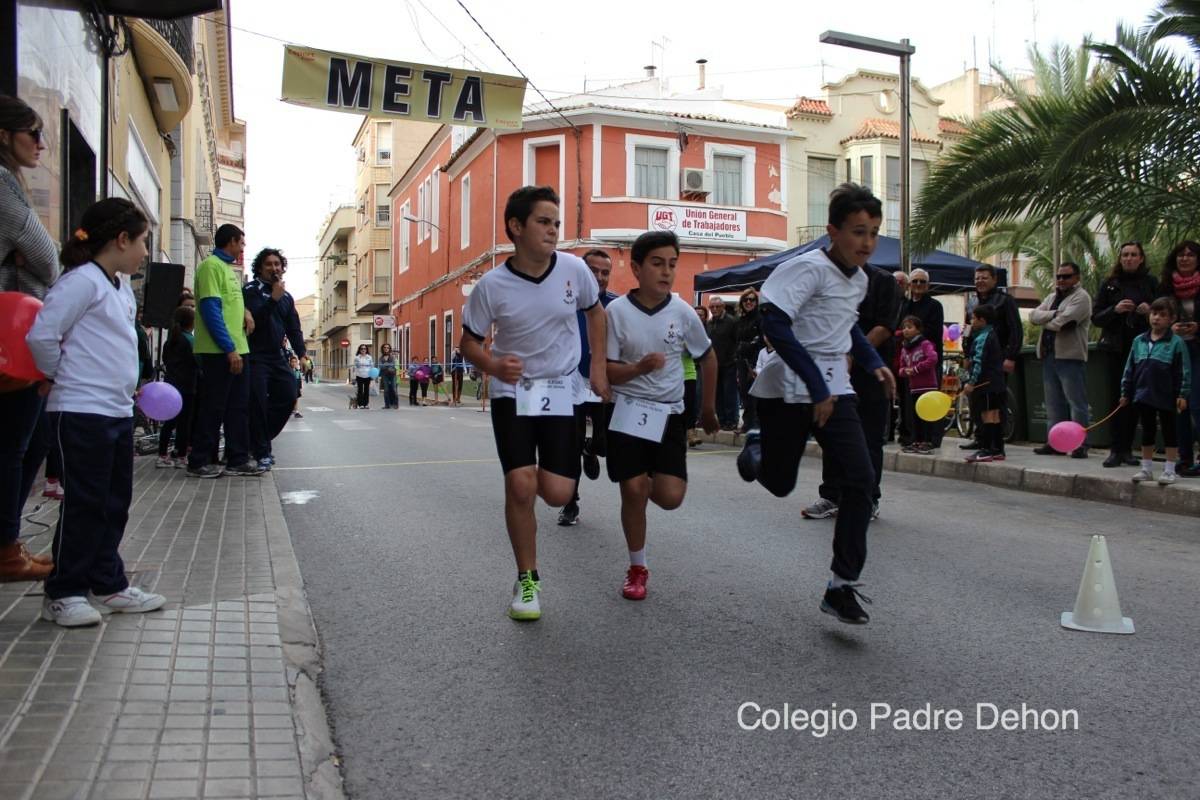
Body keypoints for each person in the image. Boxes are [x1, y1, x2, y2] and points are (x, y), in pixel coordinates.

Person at [737, 182, 896, 625]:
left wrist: (872, 362)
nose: (867, 243)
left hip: (835, 385)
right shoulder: (805, 269)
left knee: (861, 481)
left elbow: (846, 330)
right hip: (789, 382)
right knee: (779, 483)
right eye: (858, 232)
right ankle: (756, 447)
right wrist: (814, 385)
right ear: (833, 231)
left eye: (873, 233)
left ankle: (841, 586)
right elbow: (775, 326)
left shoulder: (861, 280)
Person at [459, 185, 609, 622]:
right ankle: (527, 579)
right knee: (521, 485)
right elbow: (468, 343)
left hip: (563, 389)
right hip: (515, 392)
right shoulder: (491, 286)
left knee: (558, 491)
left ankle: (564, 457)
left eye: (556, 223)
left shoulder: (574, 270)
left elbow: (595, 313)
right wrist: (491, 364)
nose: (553, 231)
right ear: (516, 227)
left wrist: (597, 368)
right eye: (544, 222)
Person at [26, 197, 167, 626]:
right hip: (80, 410)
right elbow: (42, 336)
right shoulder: (81, 282)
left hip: (115, 412)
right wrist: (59, 375)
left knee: (114, 502)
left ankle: (109, 583)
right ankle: (64, 592)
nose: (145, 252)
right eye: (142, 242)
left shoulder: (118, 286)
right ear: (121, 240)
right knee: (84, 504)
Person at [604, 230, 718, 600]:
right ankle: (637, 568)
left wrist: (708, 407)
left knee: (670, 497)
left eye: (672, 264)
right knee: (633, 490)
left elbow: (708, 356)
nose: (666, 272)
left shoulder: (684, 313)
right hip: (629, 410)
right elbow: (607, 370)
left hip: (669, 414)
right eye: (657, 263)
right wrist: (638, 369)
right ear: (637, 268)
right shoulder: (616, 312)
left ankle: (644, 480)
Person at [0, 95, 59, 581]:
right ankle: (4, 551)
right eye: (32, 133)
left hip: (13, 334)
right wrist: (29, 257)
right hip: (9, 339)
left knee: (28, 441)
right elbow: (48, 259)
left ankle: (8, 542)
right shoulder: (1, 183)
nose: (41, 143)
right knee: (14, 444)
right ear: (4, 135)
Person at [801, 251, 900, 521]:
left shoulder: (884, 281)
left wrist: (854, 353)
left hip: (871, 374)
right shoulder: (828, 282)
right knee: (833, 434)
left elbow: (884, 327)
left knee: (869, 438)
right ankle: (831, 495)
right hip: (835, 371)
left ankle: (868, 498)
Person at [187, 224, 260, 478]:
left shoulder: (228, 270)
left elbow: (231, 305)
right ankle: (199, 461)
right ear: (230, 241)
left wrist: (247, 313)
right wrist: (229, 349)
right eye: (241, 243)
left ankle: (236, 458)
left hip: (239, 349)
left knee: (238, 408)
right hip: (220, 352)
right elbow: (210, 310)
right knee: (213, 407)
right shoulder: (210, 267)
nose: (242, 249)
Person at [558, 248, 618, 527]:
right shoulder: (565, 303)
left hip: (604, 382)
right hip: (571, 384)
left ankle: (591, 449)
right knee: (569, 444)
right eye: (593, 271)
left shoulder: (616, 306)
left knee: (604, 444)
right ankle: (571, 503)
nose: (599, 277)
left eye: (605, 272)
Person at [1093, 242, 1158, 468]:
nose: (1129, 258)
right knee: (1116, 398)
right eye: (1125, 255)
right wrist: (1116, 309)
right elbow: (1096, 316)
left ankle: (1129, 449)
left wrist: (1149, 311)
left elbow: (1166, 312)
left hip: (1143, 350)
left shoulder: (1150, 283)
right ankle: (1115, 449)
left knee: (1136, 399)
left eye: (1133, 255)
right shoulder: (1110, 284)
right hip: (1115, 348)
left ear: (1141, 258)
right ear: (1120, 258)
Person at [244, 248, 305, 470]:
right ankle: (261, 452)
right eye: (269, 264)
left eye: (277, 264)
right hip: (255, 356)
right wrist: (273, 298)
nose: (274, 268)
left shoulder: (286, 297)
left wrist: (302, 353)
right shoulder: (250, 291)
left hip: (277, 356)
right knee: (258, 404)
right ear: (260, 268)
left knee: (289, 395)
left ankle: (258, 440)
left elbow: (293, 328)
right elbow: (255, 319)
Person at [1121, 298, 1191, 485]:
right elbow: (1130, 368)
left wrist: (1182, 394)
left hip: (1167, 394)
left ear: (1172, 319)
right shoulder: (1139, 341)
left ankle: (1169, 470)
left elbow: (1184, 370)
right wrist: (1126, 392)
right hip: (1144, 393)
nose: (1157, 318)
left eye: (1162, 315)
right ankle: (1146, 468)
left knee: (1169, 431)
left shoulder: (1176, 343)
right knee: (1147, 431)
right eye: (1154, 314)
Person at [1030, 261, 1093, 458]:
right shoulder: (1052, 297)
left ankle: (1080, 443)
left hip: (1070, 357)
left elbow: (1063, 324)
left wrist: (1048, 318)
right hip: (1049, 355)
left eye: (1066, 276)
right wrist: (1054, 313)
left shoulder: (1081, 297)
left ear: (1077, 278)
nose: (1061, 280)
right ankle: (1055, 442)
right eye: (1058, 276)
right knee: (1053, 403)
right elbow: (1033, 316)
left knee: (1076, 402)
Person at [960, 265, 1022, 450]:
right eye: (977, 278)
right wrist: (966, 354)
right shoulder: (971, 302)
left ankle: (995, 441)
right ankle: (980, 437)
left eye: (984, 278)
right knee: (977, 401)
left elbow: (1015, 330)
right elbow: (967, 329)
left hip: (997, 359)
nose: (980, 281)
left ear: (994, 280)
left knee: (994, 402)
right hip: (976, 358)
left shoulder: (1005, 301)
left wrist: (1010, 356)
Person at [1158, 241, 1200, 476]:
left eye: (1190, 255)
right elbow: (1157, 315)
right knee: (1180, 406)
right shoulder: (1166, 286)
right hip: (1175, 350)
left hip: (1198, 349)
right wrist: (1170, 327)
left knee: (1196, 404)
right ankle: (1184, 458)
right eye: (1181, 255)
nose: (1185, 259)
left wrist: (1197, 326)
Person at [897, 268, 944, 445]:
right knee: (910, 401)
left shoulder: (934, 306)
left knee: (930, 399)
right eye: (915, 281)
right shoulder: (905, 305)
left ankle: (932, 438)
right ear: (909, 285)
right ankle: (912, 436)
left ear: (928, 285)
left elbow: (934, 331)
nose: (918, 285)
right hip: (909, 360)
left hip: (927, 361)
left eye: (921, 282)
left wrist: (913, 335)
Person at [962, 305, 1008, 462]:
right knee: (994, 415)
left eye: (974, 318)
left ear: (982, 320)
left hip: (985, 383)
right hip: (996, 382)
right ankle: (998, 449)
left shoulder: (983, 337)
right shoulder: (990, 334)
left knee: (987, 415)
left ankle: (986, 449)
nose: (971, 322)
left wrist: (971, 382)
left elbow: (978, 361)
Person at [157, 305, 198, 468]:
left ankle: (162, 455)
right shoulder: (191, 340)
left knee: (169, 421)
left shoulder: (170, 341)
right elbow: (198, 362)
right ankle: (181, 455)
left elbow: (165, 360)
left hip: (171, 385)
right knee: (184, 423)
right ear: (192, 322)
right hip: (187, 386)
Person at [898, 315, 940, 454]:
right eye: (904, 327)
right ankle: (917, 441)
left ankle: (928, 441)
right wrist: (906, 371)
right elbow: (901, 368)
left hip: (927, 386)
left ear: (918, 329)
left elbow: (933, 358)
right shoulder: (904, 348)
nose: (906, 330)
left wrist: (916, 369)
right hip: (914, 387)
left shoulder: (924, 344)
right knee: (915, 416)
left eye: (910, 327)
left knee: (927, 416)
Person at [706, 294, 739, 429]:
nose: (714, 309)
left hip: (729, 363)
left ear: (723, 307)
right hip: (714, 364)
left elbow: (737, 341)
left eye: (717, 306)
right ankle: (722, 419)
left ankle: (731, 421)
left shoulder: (732, 321)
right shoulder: (709, 323)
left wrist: (734, 358)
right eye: (712, 307)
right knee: (717, 394)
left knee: (729, 393)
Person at [734, 288, 763, 432]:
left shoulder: (760, 318)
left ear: (756, 302)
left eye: (752, 299)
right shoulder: (740, 319)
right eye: (746, 299)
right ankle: (747, 423)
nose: (749, 302)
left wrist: (748, 345)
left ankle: (756, 424)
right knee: (744, 392)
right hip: (741, 360)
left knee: (755, 393)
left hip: (756, 360)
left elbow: (762, 340)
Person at [353, 344, 373, 409]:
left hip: (367, 375)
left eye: (364, 349)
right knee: (360, 390)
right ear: (359, 350)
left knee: (367, 390)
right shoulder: (357, 357)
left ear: (366, 350)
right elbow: (355, 367)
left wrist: (372, 375)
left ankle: (366, 404)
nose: (363, 350)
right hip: (359, 375)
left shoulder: (369, 357)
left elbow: (371, 366)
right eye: (362, 349)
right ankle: (360, 404)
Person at [379, 342, 399, 409]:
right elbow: (381, 366)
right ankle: (387, 405)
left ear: (389, 349)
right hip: (384, 375)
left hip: (392, 374)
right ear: (383, 349)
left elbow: (393, 365)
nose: (386, 349)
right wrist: (388, 365)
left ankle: (396, 404)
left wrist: (385, 365)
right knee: (386, 390)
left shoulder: (392, 357)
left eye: (387, 347)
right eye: (385, 347)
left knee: (394, 389)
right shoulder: (381, 358)